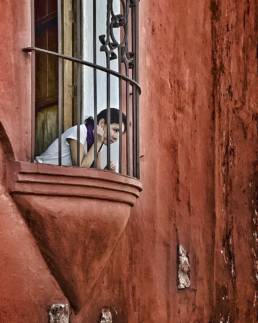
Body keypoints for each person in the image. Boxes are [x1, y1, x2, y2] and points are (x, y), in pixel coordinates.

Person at [35, 108, 127, 170]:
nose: (116, 137)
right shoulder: (80, 131)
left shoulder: (97, 142)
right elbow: (80, 167)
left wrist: (106, 170)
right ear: (102, 123)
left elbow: (97, 172)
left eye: (120, 134)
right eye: (115, 130)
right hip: (40, 172)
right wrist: (98, 143)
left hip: (57, 177)